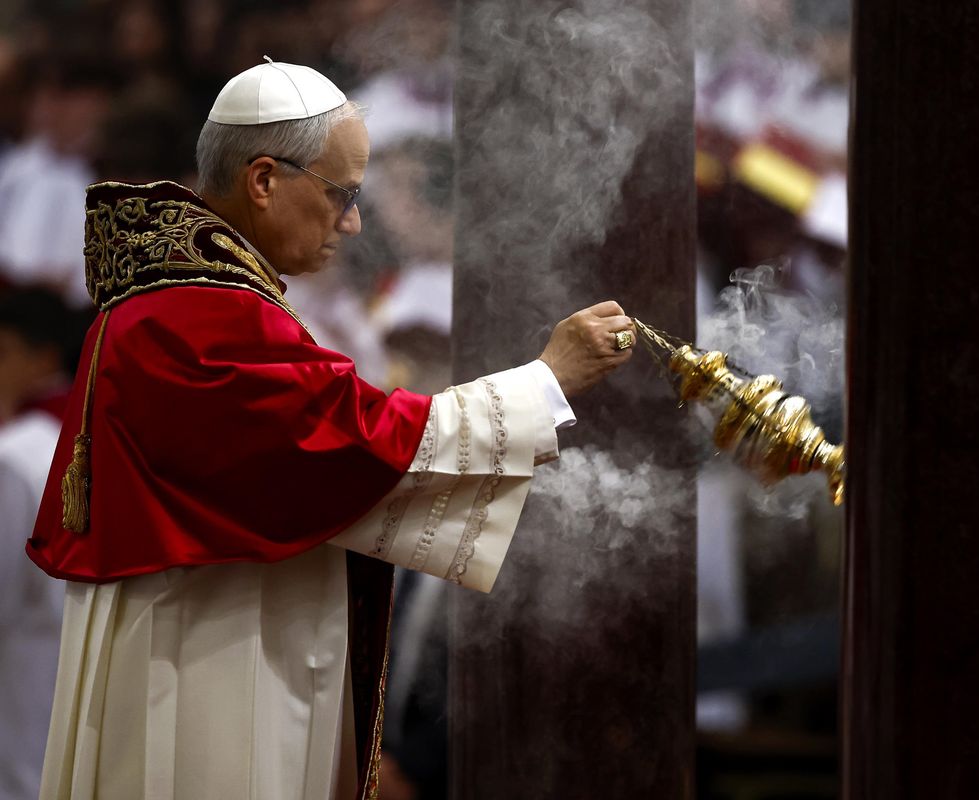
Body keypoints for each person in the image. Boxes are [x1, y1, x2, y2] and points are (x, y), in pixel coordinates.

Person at [27, 59, 637, 800]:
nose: (351, 222)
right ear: (262, 180)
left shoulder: (175, 298)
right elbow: (351, 442)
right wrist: (547, 381)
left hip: (194, 637)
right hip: (202, 663)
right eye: (340, 195)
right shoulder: (203, 313)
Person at [0, 288, 87, 800]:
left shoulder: (20, 452)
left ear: (43, 358)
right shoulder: (74, 431)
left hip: (24, 656)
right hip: (67, 648)